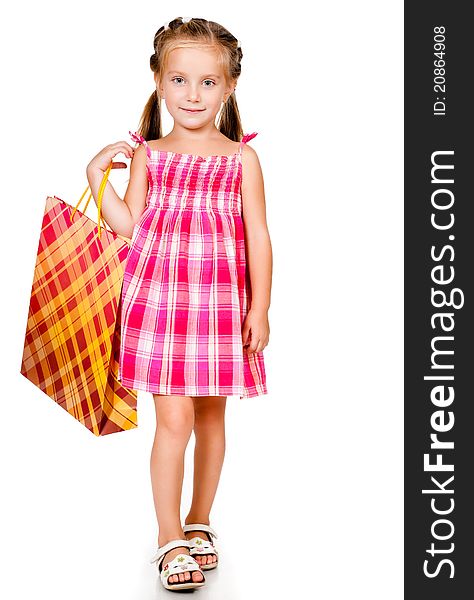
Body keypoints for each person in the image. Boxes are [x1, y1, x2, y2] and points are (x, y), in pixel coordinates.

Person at [86, 16, 272, 592]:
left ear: (230, 86)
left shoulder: (241, 158)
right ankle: (168, 537)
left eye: (208, 82)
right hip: (163, 308)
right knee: (173, 420)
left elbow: (259, 234)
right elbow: (130, 229)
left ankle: (199, 522)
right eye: (180, 79)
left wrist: (259, 308)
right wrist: (99, 180)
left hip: (220, 306)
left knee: (213, 416)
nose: (193, 94)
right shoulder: (150, 155)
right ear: (158, 82)